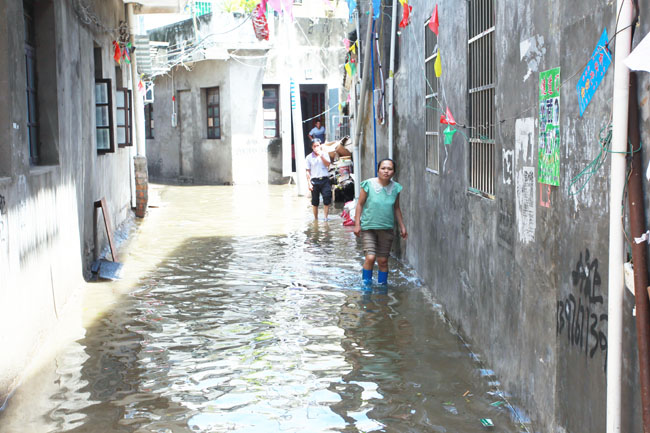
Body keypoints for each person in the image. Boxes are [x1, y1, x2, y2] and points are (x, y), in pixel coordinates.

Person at [353, 158, 407, 285]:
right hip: (368, 227)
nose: (386, 171)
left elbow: (396, 208)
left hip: (386, 229)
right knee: (370, 257)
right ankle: (366, 286)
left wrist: (402, 226)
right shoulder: (368, 185)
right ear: (378, 170)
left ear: (393, 172)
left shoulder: (396, 188)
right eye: (383, 168)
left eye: (389, 169)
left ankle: (383, 288)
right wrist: (357, 224)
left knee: (383, 261)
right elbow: (359, 204)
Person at [305, 139, 332, 220]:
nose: (316, 147)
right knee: (315, 201)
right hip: (315, 181)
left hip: (325, 179)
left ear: (320, 146)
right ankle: (316, 218)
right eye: (314, 146)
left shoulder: (325, 154)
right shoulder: (309, 157)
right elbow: (307, 171)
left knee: (327, 198)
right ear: (312, 147)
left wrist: (321, 156)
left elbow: (328, 164)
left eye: (318, 145)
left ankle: (325, 218)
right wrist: (309, 183)